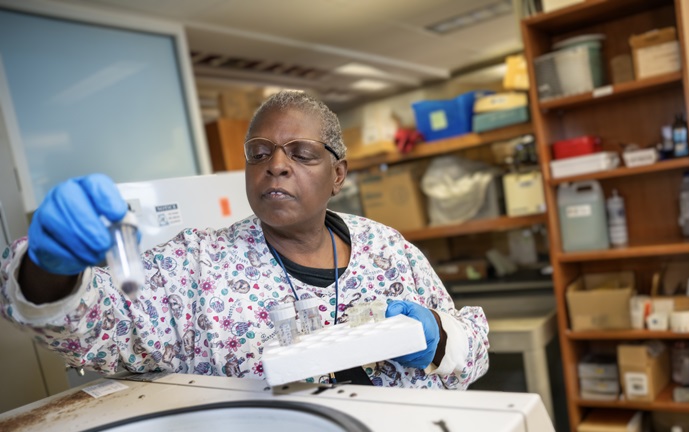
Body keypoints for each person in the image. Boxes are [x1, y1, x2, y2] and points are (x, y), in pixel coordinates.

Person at [0, 90, 489, 389]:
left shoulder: (389, 251)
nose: (276, 165)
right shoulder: (198, 266)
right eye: (259, 153)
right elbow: (98, 327)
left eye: (301, 153)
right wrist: (50, 266)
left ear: (338, 174)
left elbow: (472, 355)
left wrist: (443, 338)